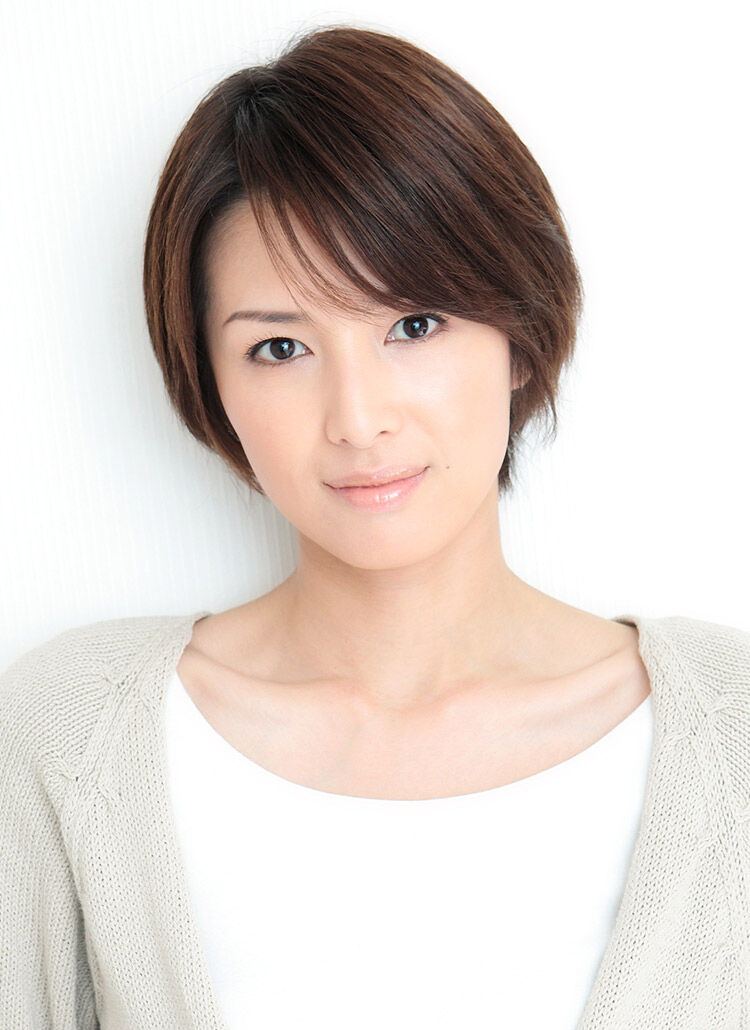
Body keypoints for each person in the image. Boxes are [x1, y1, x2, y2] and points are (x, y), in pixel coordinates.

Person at [1, 23, 748, 1030]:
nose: (358, 419)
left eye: (413, 325)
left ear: (520, 336)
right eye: (279, 348)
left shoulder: (730, 734)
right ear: (211, 385)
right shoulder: (70, 738)